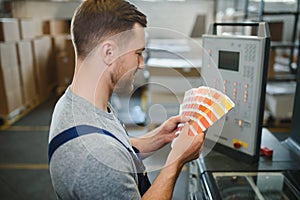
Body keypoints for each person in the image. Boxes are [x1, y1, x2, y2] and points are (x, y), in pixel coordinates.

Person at [48, 0, 205, 199]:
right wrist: (176, 160)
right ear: (109, 52)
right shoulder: (96, 158)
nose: (141, 65)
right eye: (138, 54)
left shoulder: (75, 103)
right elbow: (107, 152)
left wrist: (159, 137)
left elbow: (116, 146)